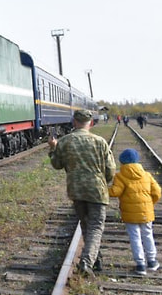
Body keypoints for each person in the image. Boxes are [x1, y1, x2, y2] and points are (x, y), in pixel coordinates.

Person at [49, 109, 117, 276]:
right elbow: (110, 170)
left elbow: (57, 165)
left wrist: (53, 148)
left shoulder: (65, 141)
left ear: (74, 122)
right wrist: (103, 181)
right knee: (95, 226)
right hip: (96, 190)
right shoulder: (100, 142)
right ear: (91, 123)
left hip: (76, 190)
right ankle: (87, 262)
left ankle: (96, 259)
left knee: (86, 225)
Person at [110, 148, 162, 275]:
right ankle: (152, 261)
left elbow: (115, 192)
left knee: (135, 237)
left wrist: (103, 190)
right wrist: (150, 204)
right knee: (148, 234)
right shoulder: (147, 175)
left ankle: (140, 265)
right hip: (146, 212)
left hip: (130, 214)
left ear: (122, 162)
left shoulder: (120, 176)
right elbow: (157, 192)